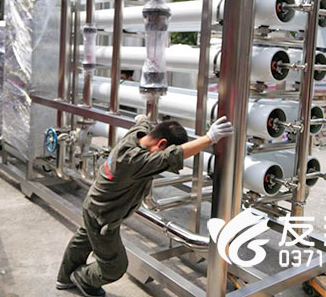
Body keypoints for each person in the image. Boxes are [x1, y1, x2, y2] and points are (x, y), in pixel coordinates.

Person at [56, 115, 234, 296]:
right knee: (115, 266)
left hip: (94, 205)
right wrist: (209, 138)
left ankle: (64, 278)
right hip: (104, 217)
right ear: (162, 144)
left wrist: (144, 118)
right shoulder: (133, 160)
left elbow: (143, 122)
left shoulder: (136, 135)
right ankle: (81, 277)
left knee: (83, 240)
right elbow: (171, 156)